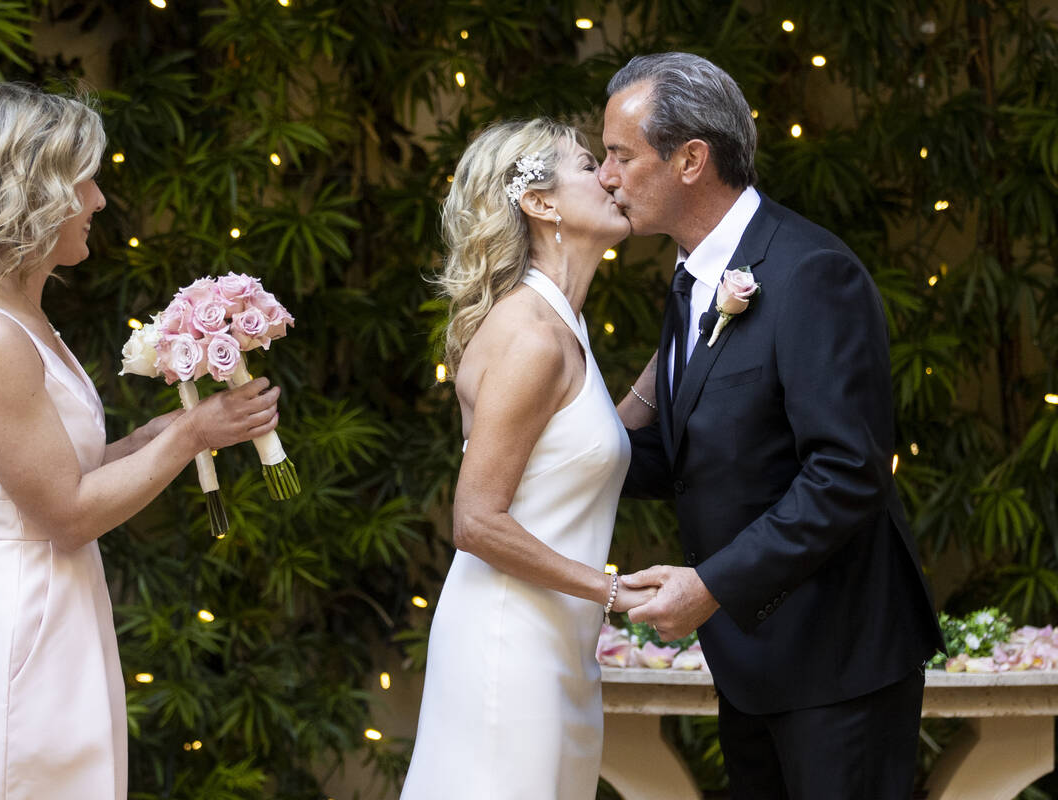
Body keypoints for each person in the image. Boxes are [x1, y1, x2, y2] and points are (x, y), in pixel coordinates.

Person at [0, 83, 282, 800]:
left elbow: (65, 470)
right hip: (15, 630)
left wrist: (158, 434)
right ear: (34, 194)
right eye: (85, 180)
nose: (98, 200)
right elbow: (65, 514)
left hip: (55, 610)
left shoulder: (17, 311)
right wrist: (191, 433)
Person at [601, 53, 945, 798]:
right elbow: (688, 458)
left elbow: (847, 472)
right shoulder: (691, 281)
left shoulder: (813, 271)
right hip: (752, 662)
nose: (604, 176)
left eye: (620, 155)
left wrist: (710, 587)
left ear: (691, 159)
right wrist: (557, 453)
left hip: (838, 663)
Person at [400, 119, 654, 800]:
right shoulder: (532, 337)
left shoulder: (561, 325)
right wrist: (612, 589)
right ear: (539, 203)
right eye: (586, 164)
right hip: (509, 648)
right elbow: (476, 521)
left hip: (555, 646)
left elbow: (579, 450)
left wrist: (687, 347)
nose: (610, 176)